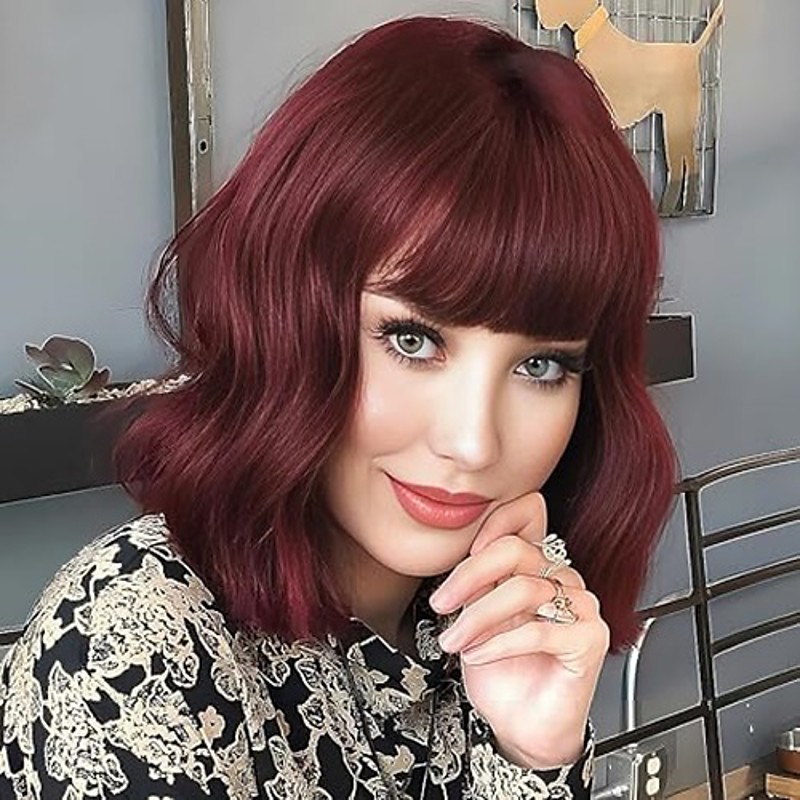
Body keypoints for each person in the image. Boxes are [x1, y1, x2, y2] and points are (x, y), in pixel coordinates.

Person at [0, 15, 676, 799]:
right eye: (412, 340)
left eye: (540, 365)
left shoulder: (488, 619)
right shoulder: (135, 638)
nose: (472, 442)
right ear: (287, 317)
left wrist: (531, 755)